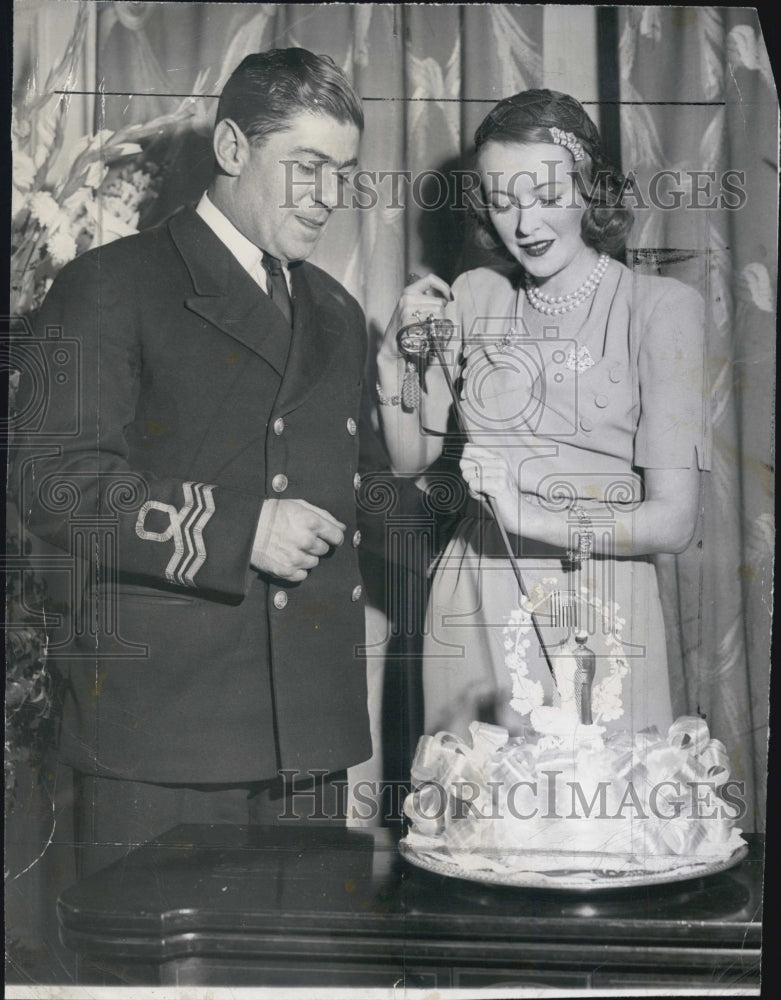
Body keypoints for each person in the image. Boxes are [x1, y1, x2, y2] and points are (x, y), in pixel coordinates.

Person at [17, 48, 372, 873]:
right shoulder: (110, 284)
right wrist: (237, 531)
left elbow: (342, 504)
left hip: (308, 735)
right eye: (307, 167)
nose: (329, 197)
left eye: (343, 173)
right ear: (232, 149)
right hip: (164, 737)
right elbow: (48, 477)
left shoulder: (336, 311)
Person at [376, 89, 708, 742]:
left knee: (594, 822)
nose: (524, 223)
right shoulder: (476, 295)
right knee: (473, 830)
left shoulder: (661, 308)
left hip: (598, 603)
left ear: (590, 189)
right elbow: (409, 458)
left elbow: (673, 521)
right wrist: (392, 365)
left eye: (547, 195)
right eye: (502, 202)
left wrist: (529, 515)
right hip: (472, 593)